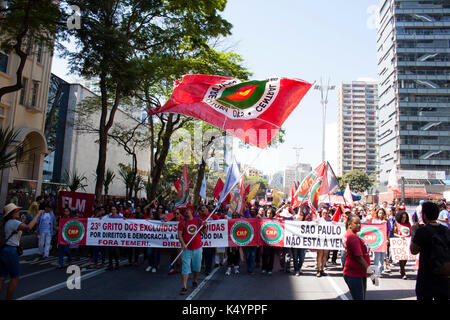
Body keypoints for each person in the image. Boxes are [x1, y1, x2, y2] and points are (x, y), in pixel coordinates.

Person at [0, 203, 42, 300]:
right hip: (11, 251)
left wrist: (22, 221)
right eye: (16, 211)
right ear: (11, 213)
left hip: (5, 250)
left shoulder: (8, 223)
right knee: (14, 277)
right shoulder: (13, 222)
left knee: (2, 276)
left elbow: (19, 231)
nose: (18, 212)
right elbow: (28, 227)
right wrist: (37, 215)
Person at [410, 201, 450, 301]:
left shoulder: (422, 231)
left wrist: (413, 232)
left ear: (424, 215)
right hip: (443, 275)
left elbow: (414, 250)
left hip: (426, 275)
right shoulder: (446, 230)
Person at [343, 214, 375, 300]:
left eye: (359, 223)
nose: (359, 225)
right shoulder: (353, 237)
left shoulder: (352, 235)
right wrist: (372, 274)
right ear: (350, 224)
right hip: (354, 274)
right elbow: (359, 258)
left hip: (358, 273)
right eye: (356, 223)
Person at [178, 205, 208, 295]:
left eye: (187, 210)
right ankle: (184, 286)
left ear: (191, 211)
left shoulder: (198, 221)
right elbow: (179, 235)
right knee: (185, 267)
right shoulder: (182, 222)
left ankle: (195, 280)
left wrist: (204, 226)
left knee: (196, 267)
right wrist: (183, 244)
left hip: (197, 248)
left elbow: (205, 233)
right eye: (184, 211)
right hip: (186, 249)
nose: (186, 212)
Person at [393, 210, 412, 280]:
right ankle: (403, 272)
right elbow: (394, 233)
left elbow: (410, 232)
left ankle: (402, 268)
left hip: (407, 242)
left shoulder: (408, 224)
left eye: (405, 217)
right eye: (402, 218)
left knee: (406, 258)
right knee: (401, 258)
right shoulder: (396, 223)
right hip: (400, 242)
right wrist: (399, 236)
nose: (404, 219)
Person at [371, 208, 388, 277]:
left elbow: (389, 230)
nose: (381, 214)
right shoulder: (374, 220)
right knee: (376, 256)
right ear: (377, 213)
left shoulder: (386, 221)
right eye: (380, 213)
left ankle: (380, 271)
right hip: (377, 240)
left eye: (382, 213)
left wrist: (387, 238)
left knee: (382, 256)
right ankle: (376, 271)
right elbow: (373, 229)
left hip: (384, 240)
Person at [106, 206, 122, 270]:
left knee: (115, 250)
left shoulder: (119, 217)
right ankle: (110, 264)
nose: (113, 210)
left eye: (114, 209)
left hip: (117, 236)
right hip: (110, 236)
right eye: (112, 209)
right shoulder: (109, 217)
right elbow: (102, 220)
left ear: (116, 210)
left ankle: (117, 263)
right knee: (110, 250)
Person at [225, 211, 241, 276]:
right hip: (230, 241)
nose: (234, 216)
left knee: (236, 254)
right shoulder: (229, 222)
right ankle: (229, 268)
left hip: (237, 241)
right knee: (230, 254)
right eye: (233, 215)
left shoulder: (240, 223)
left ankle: (236, 268)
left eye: (235, 215)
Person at [261, 207, 276, 275]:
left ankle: (270, 269)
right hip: (265, 241)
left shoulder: (276, 221)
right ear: (266, 214)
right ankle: (264, 268)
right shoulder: (263, 220)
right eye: (268, 213)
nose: (269, 214)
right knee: (265, 255)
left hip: (273, 241)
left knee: (272, 255)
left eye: (270, 213)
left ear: (273, 214)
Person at [292, 209, 307, 276]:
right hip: (294, 243)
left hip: (302, 244)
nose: (300, 216)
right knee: (295, 257)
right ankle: (296, 270)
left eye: (302, 215)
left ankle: (299, 267)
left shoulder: (306, 224)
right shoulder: (293, 223)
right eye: (299, 215)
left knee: (301, 258)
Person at [315, 208, 330, 277]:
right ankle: (318, 270)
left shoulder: (330, 221)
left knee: (325, 255)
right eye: (324, 213)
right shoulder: (319, 220)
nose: (325, 214)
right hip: (320, 240)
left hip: (327, 240)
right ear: (321, 214)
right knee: (319, 255)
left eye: (326, 213)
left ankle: (322, 269)